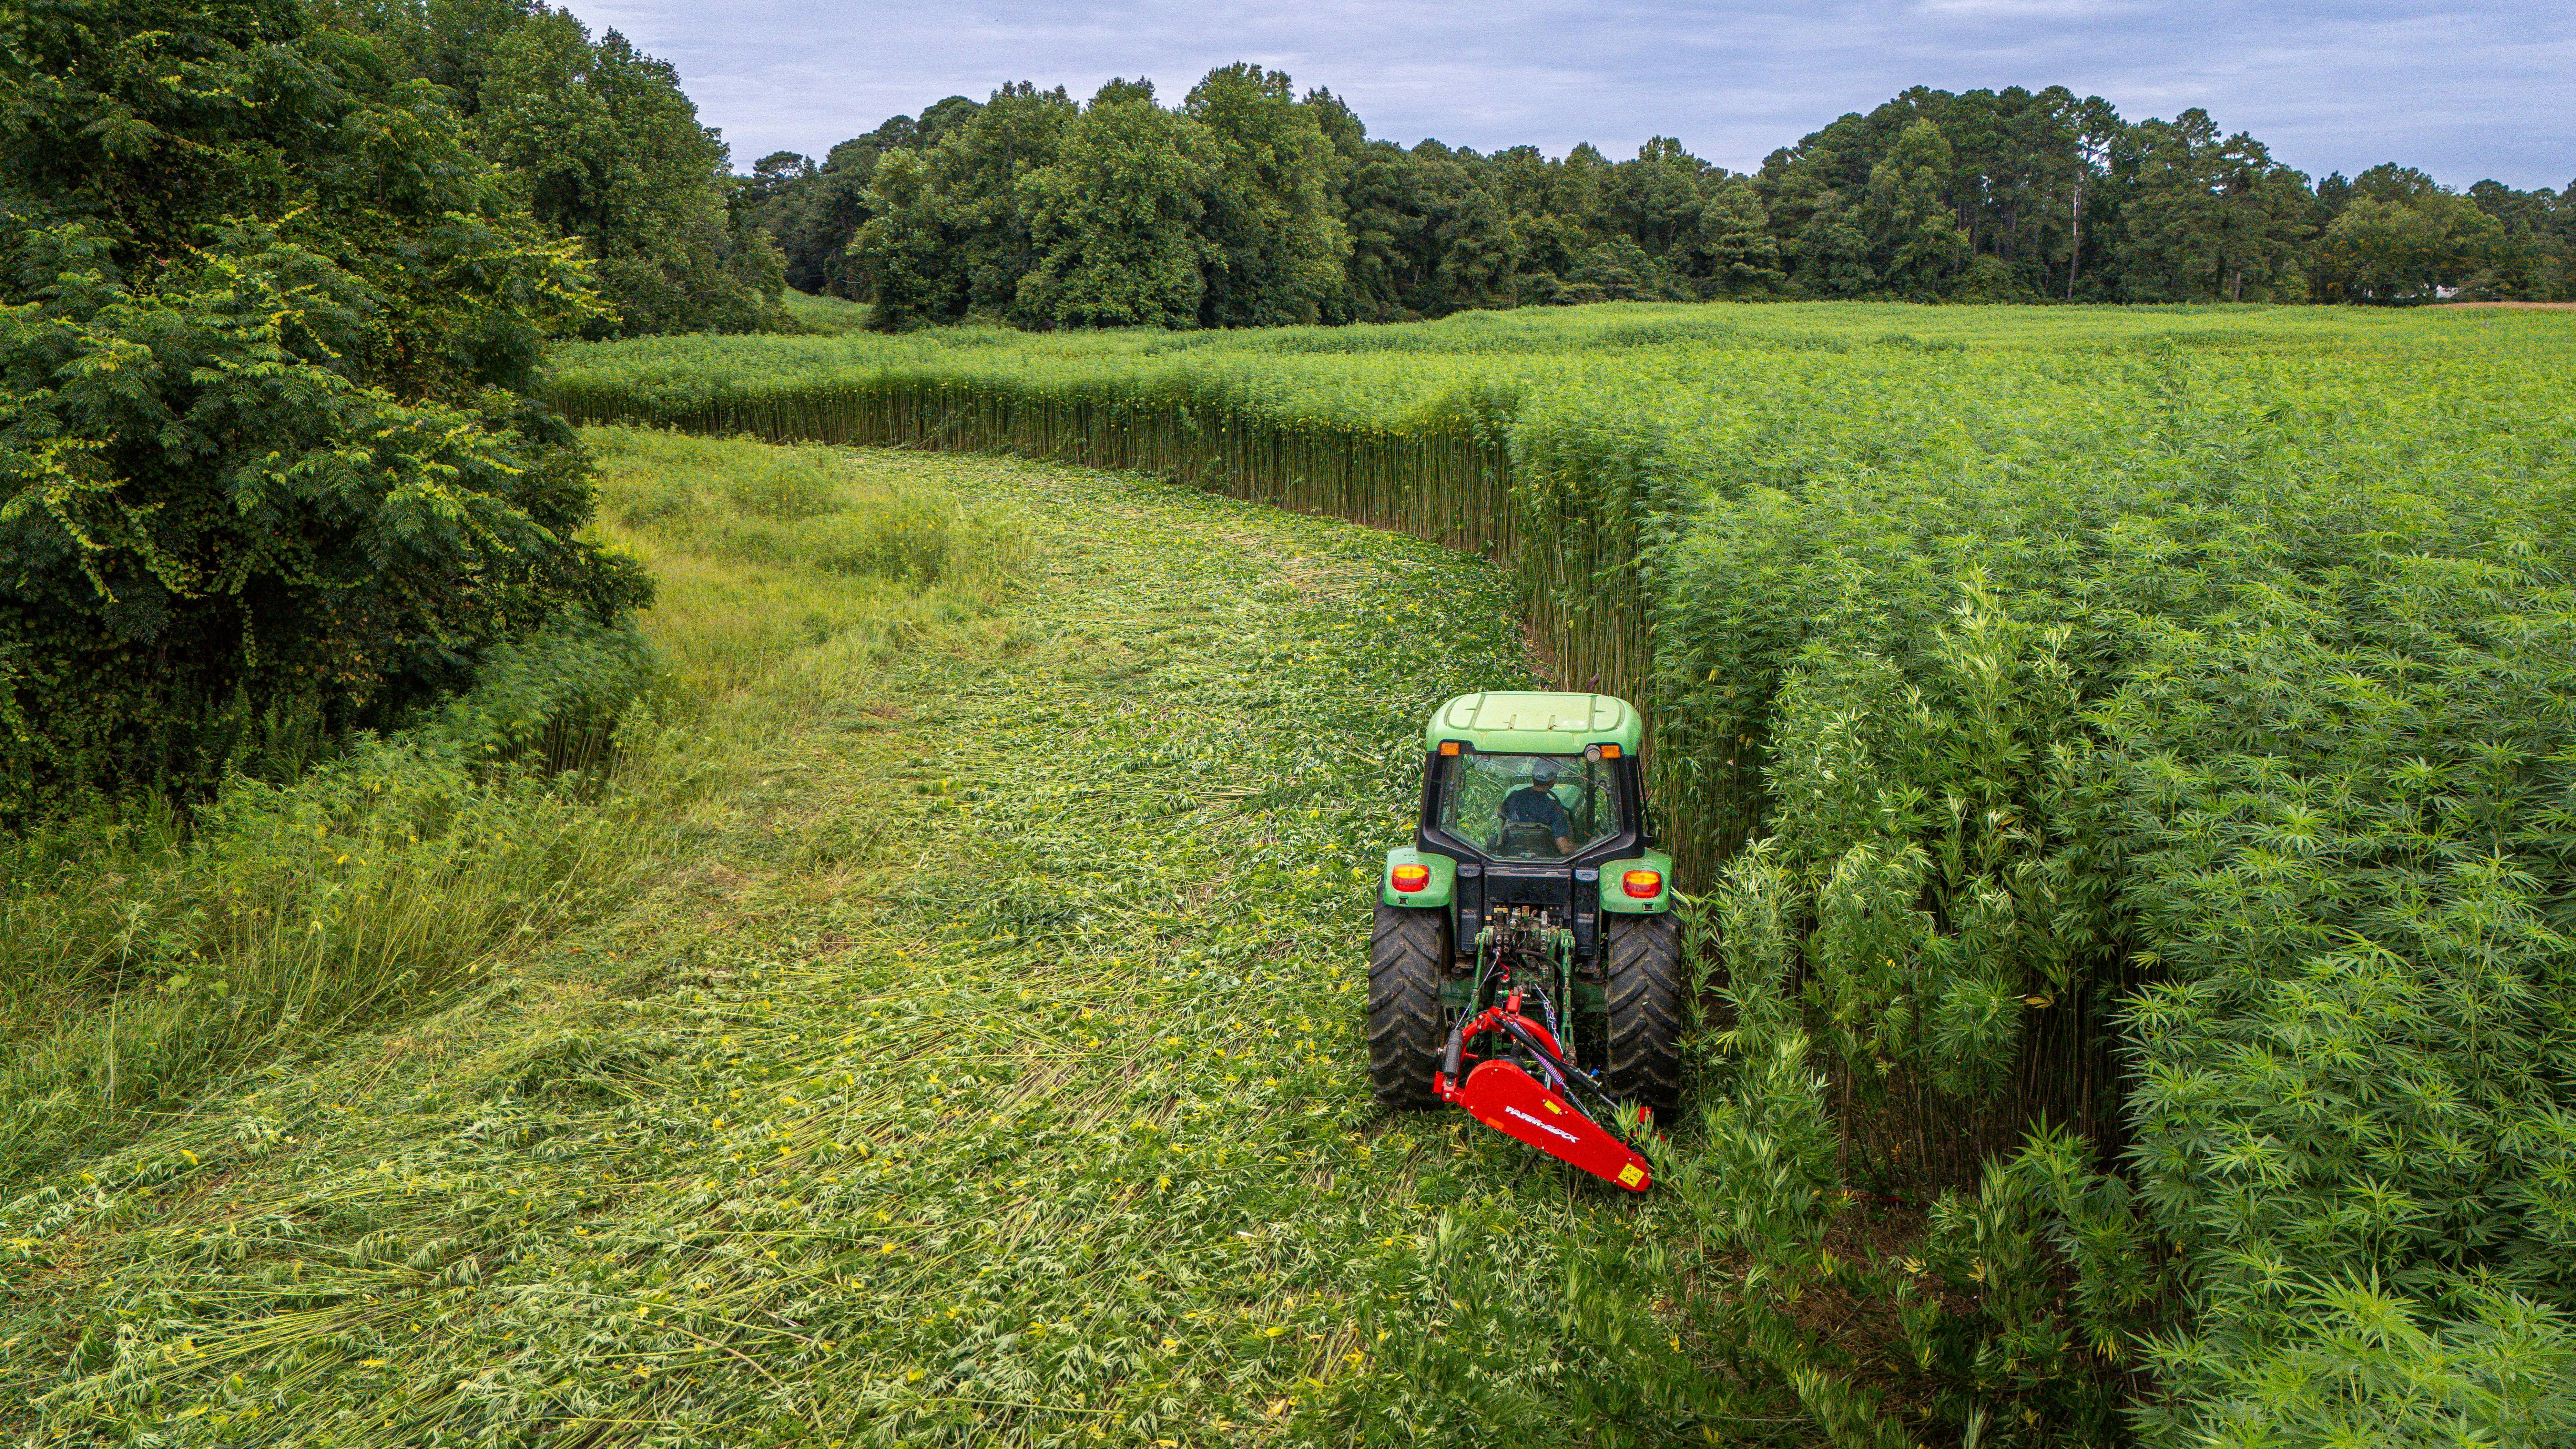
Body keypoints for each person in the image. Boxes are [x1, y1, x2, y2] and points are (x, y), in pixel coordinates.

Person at [1499, 762, 1576, 855]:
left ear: (1532, 779)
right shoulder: (1554, 808)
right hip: (1546, 864)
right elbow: (1565, 849)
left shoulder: (1513, 797)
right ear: (1553, 781)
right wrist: (1585, 847)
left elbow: (1500, 813)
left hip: (1510, 859)